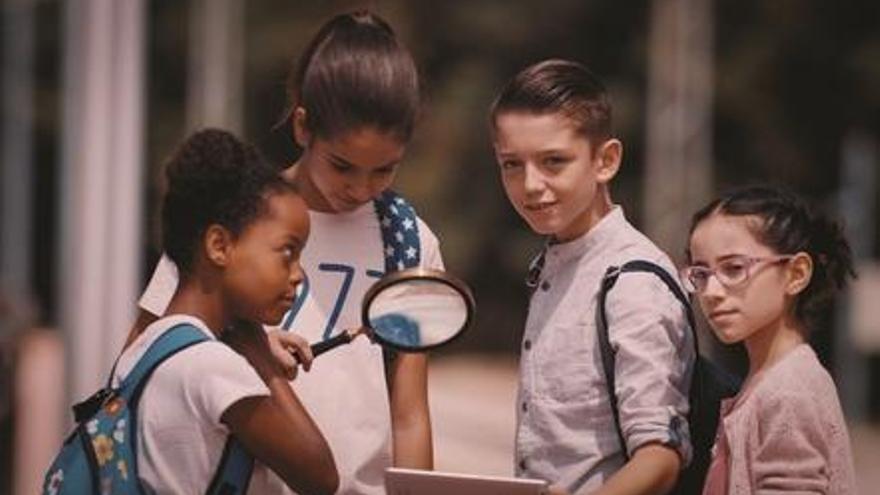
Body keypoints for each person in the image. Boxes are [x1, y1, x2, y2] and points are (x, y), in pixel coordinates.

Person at [128, 11, 443, 494]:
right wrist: (245, 342)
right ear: (303, 126)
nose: (360, 187)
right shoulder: (231, 215)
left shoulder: (409, 240)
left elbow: (409, 414)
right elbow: (146, 356)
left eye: (384, 170)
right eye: (342, 165)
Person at [489, 59, 694, 495]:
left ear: (606, 160)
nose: (530, 185)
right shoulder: (552, 265)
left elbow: (661, 454)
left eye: (553, 161)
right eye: (511, 164)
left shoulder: (633, 281)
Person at [115, 129, 337, 493]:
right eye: (287, 251)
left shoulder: (144, 349)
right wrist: (259, 355)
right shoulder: (213, 366)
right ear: (219, 245)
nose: (298, 274)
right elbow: (320, 476)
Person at [684, 185, 858, 494]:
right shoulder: (768, 382)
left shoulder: (787, 392)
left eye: (734, 268)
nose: (711, 292)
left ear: (796, 273)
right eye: (701, 274)